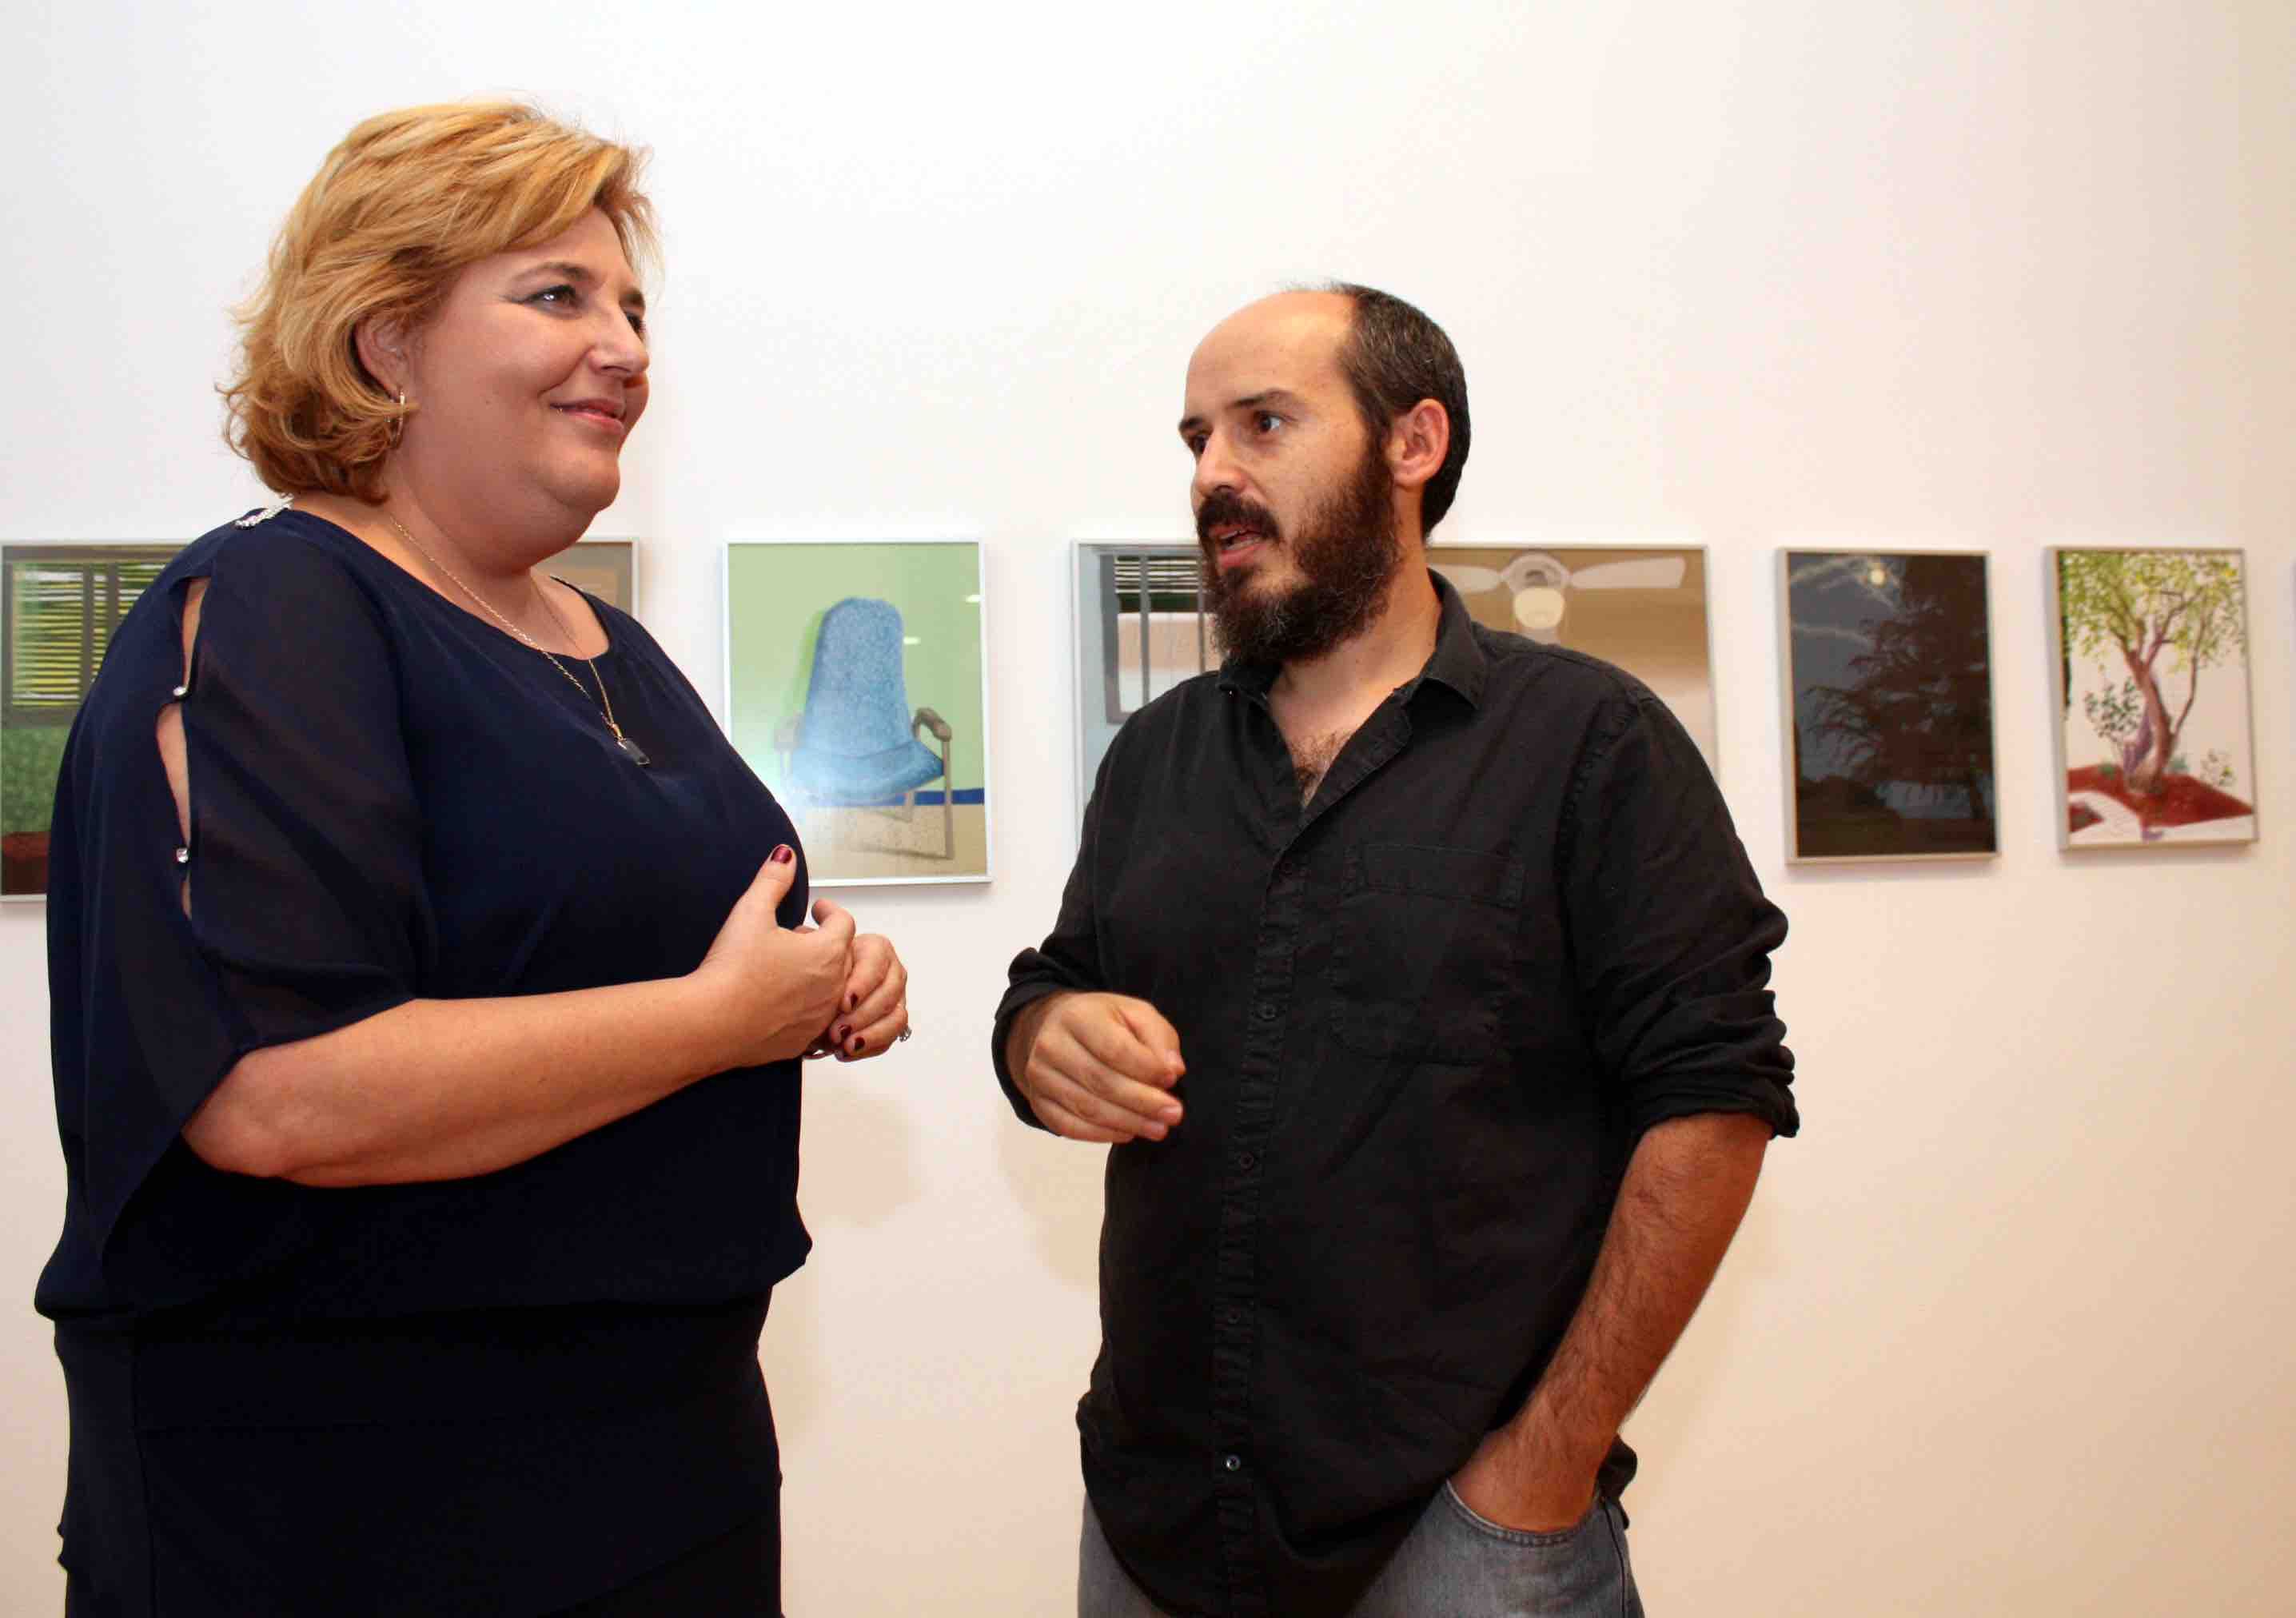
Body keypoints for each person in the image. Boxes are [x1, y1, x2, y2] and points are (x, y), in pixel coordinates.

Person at [34, 102, 909, 1616]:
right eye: (557, 296)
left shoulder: (608, 646)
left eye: (633, 305)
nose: (627, 348)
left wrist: (822, 974)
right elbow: (270, 1093)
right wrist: (718, 1020)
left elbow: (651, 940)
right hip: (353, 1506)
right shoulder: (273, 608)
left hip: (665, 1463)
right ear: (386, 344)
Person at [994, 285, 1797, 1617]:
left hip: (1465, 1541)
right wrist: (1041, 1036)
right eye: (1196, 438)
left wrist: (1543, 1467)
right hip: (1157, 1523)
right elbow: (1056, 981)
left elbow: (1717, 1099)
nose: (1212, 477)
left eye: (1263, 424)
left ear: (1412, 443)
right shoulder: (1159, 753)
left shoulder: (1594, 746)